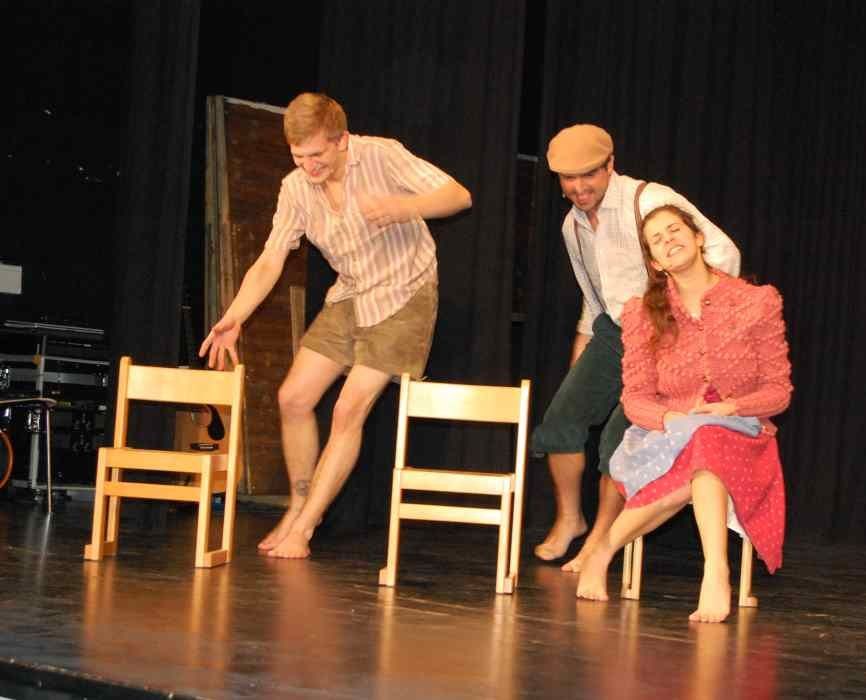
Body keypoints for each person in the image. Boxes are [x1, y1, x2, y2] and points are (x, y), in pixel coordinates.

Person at [198, 92, 471, 558]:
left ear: (341, 140)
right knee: (293, 397)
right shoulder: (295, 188)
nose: (308, 167)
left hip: (406, 293)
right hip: (350, 292)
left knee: (348, 409)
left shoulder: (382, 155)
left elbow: (458, 195)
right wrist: (235, 316)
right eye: (298, 157)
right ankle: (298, 505)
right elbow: (270, 259)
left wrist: (403, 208)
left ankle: (305, 527)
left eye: (316, 155)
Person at [531, 124, 740, 572]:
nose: (579, 187)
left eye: (589, 174)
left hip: (666, 331)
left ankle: (602, 541)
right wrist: (582, 353)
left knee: (618, 439)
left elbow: (724, 253)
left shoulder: (647, 200)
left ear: (610, 165)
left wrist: (689, 317)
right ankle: (571, 519)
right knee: (560, 422)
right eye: (568, 178)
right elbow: (594, 297)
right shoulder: (572, 226)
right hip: (614, 332)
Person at [575, 203, 792, 623]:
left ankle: (606, 548)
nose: (668, 240)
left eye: (674, 230)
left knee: (710, 438)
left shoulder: (756, 302)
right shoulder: (643, 314)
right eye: (657, 240)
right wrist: (670, 420)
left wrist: (733, 406)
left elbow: (778, 392)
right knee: (703, 441)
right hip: (666, 435)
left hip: (741, 431)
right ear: (655, 262)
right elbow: (635, 398)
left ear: (698, 237)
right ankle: (715, 572)